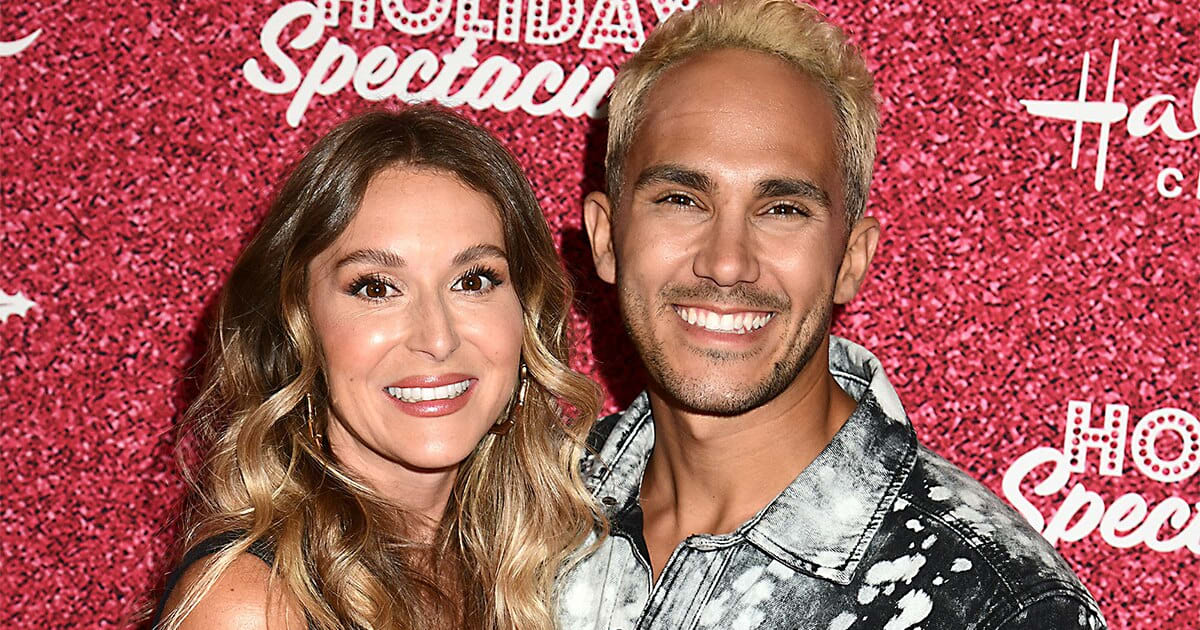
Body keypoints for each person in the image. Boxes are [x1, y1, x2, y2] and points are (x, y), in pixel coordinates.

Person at [557, 0, 1108, 628]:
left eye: (783, 210)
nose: (727, 263)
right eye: (682, 199)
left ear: (851, 259)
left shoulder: (994, 608)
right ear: (605, 238)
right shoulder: (521, 519)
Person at [150, 107, 603, 630]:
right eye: (376, 288)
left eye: (474, 281)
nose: (437, 339)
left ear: (525, 311)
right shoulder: (253, 606)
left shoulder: (532, 562)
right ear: (299, 324)